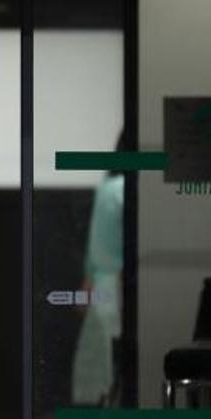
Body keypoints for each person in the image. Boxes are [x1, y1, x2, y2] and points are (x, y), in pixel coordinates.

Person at [71, 161, 124, 405]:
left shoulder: (106, 189)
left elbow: (94, 249)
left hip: (102, 283)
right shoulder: (128, 189)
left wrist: (88, 283)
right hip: (122, 283)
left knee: (104, 363)